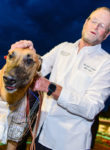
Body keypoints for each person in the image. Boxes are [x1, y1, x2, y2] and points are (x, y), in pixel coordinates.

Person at [10, 7, 110, 150]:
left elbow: (91, 108)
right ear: (86, 22)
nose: (95, 26)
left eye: (102, 26)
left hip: (68, 143)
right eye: (94, 21)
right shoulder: (63, 48)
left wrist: (51, 88)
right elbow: (40, 67)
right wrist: (27, 54)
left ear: (106, 34)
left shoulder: (106, 63)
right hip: (39, 135)